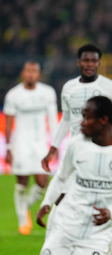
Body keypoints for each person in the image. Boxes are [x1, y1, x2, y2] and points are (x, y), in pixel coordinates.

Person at [37, 96, 112, 255]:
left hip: (97, 235)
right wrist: (47, 202)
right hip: (65, 226)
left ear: (103, 120)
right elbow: (61, 178)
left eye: (86, 118)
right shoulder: (75, 144)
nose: (81, 122)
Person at [42, 43, 112, 172]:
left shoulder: (111, 88)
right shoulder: (68, 88)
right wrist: (52, 150)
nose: (90, 64)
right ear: (79, 62)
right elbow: (66, 121)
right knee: (62, 190)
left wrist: (109, 144)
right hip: (74, 149)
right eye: (86, 60)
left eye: (94, 61)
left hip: (100, 151)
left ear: (99, 64)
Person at [4, 61, 58, 235]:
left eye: (34, 71)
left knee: (43, 183)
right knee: (22, 182)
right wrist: (8, 147)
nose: (31, 74)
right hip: (21, 143)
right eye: (28, 71)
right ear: (23, 73)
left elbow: (52, 119)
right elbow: (8, 123)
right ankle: (22, 220)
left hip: (40, 143)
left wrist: (54, 145)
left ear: (38, 74)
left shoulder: (47, 93)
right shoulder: (14, 95)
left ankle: (24, 207)